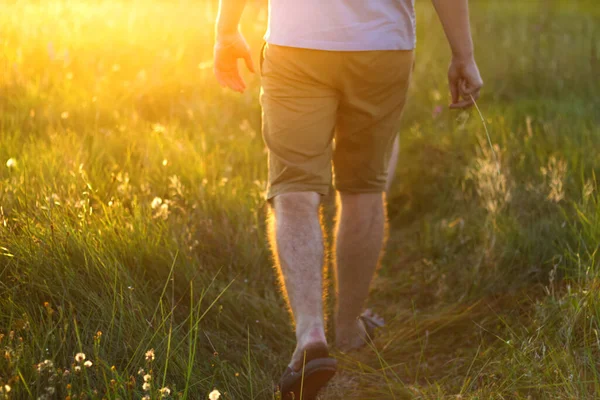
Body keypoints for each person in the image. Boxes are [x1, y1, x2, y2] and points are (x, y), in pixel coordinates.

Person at [213, 1, 483, 398]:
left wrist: (226, 29)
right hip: (381, 46)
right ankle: (349, 327)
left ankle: (310, 334)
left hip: (297, 43)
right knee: (363, 191)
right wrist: (464, 55)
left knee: (294, 193)